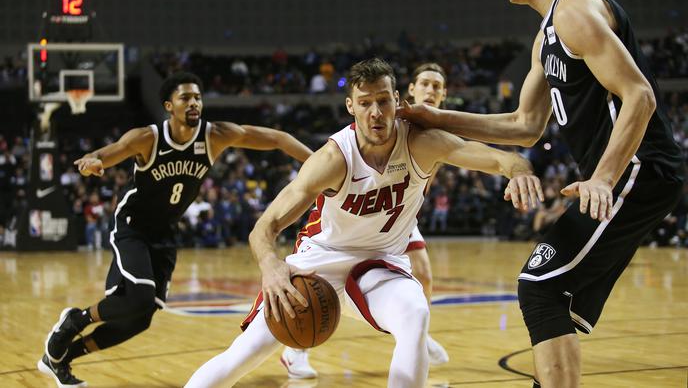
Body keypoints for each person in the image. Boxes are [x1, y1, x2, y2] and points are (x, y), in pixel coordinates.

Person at [397, 0, 685, 386]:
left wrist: (604, 178)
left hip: (639, 168)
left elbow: (640, 96)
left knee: (540, 287)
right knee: (553, 296)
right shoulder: (545, 35)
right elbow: (524, 126)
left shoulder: (574, 11)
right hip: (626, 175)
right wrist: (436, 117)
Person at [185, 58, 543, 388]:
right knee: (243, 355)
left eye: (384, 101)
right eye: (366, 102)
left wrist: (519, 171)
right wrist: (270, 267)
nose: (376, 112)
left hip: (380, 264)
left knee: (415, 314)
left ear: (397, 101)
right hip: (318, 264)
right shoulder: (333, 158)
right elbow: (265, 226)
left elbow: (500, 158)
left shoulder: (421, 142)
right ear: (351, 107)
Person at [37, 71, 313, 388]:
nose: (194, 103)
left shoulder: (215, 135)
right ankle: (74, 320)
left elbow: (277, 139)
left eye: (197, 97)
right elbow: (107, 152)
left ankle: (61, 358)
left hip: (165, 233)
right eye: (185, 98)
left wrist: (318, 162)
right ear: (170, 105)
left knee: (140, 319)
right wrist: (93, 161)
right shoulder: (148, 138)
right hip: (133, 226)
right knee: (139, 297)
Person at [280, 62, 451, 379]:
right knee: (318, 280)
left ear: (444, 94)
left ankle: (415, 332)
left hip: (397, 209)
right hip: (360, 205)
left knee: (423, 275)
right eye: (424, 84)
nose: (431, 91)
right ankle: (295, 347)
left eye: (437, 86)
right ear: (408, 93)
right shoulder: (390, 120)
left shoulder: (438, 130)